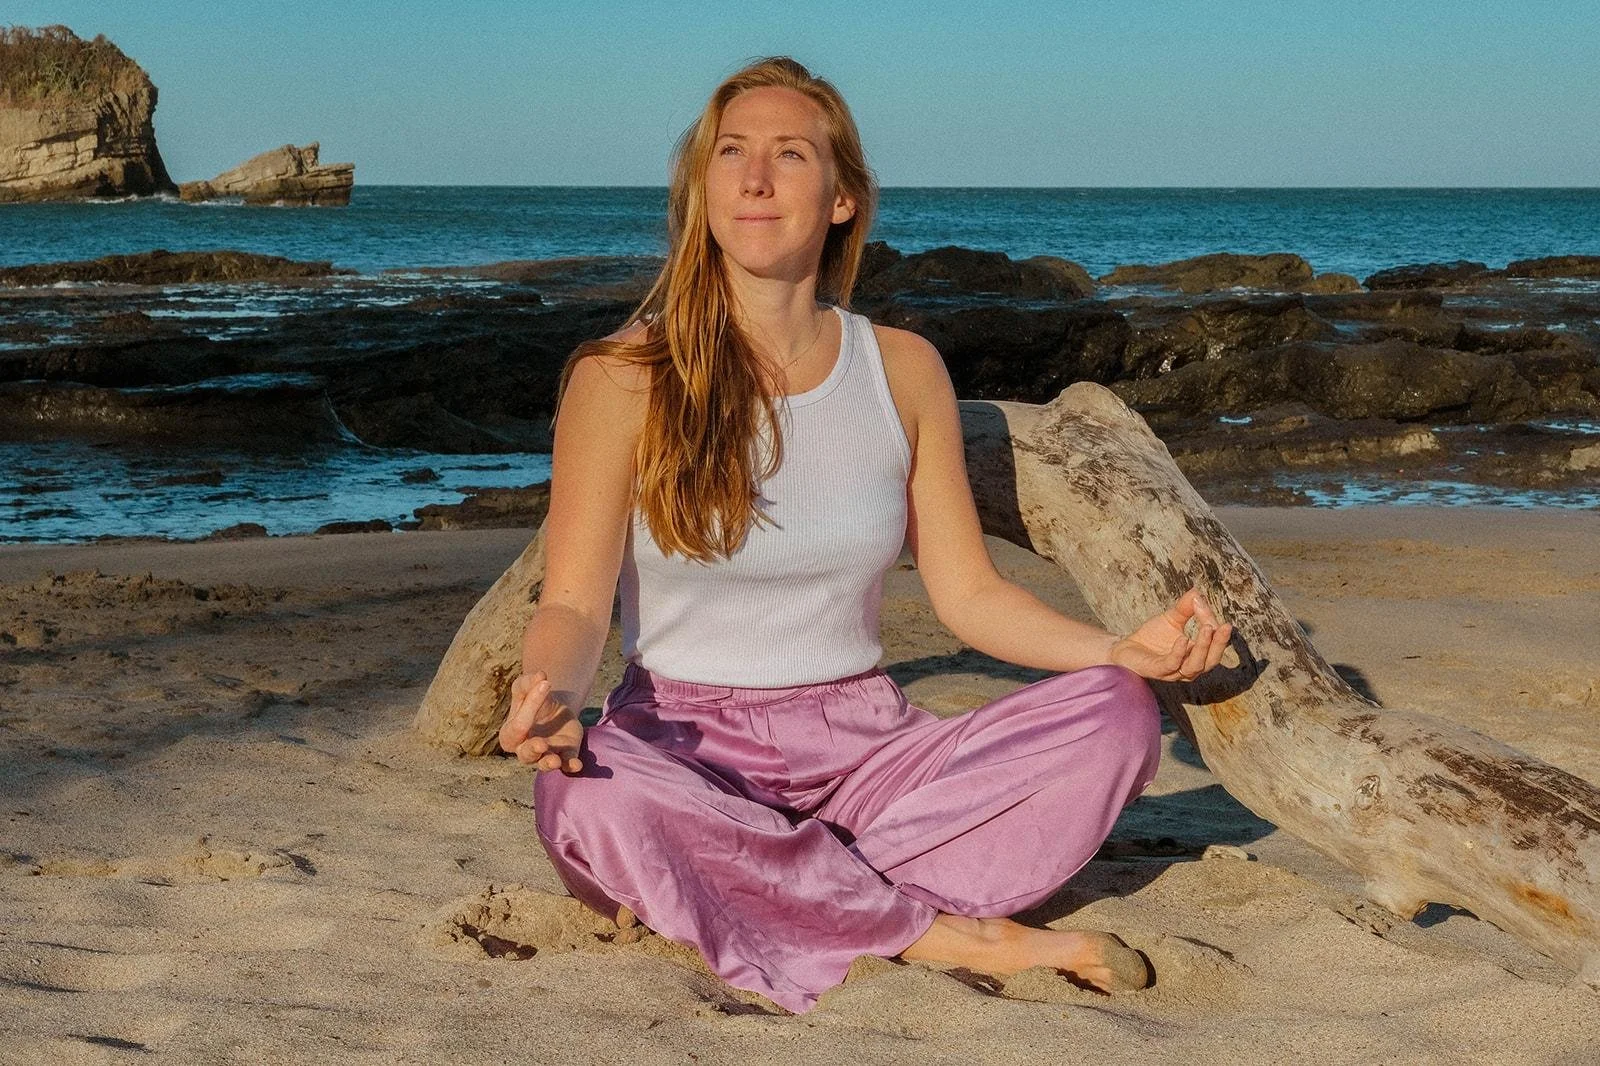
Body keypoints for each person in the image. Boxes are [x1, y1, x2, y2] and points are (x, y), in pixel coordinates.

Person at [497, 56, 1232, 1014]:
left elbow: (968, 596)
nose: (754, 179)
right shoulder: (623, 376)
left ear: (843, 198)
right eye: (732, 153)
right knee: (591, 795)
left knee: (1115, 714)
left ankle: (788, 895)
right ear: (701, 186)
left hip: (870, 755)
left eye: (789, 155)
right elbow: (573, 603)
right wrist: (548, 691)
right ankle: (944, 934)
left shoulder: (902, 368)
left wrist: (1117, 650)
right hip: (682, 749)